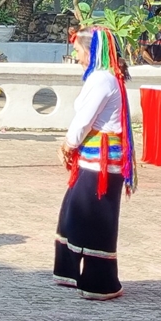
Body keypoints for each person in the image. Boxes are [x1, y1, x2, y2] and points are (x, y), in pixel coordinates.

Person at [55, 26, 135, 300]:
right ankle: (71, 272)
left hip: (100, 163)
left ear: (92, 51)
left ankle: (98, 281)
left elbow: (84, 119)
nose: (76, 56)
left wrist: (69, 143)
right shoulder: (106, 76)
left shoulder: (102, 78)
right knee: (77, 211)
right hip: (94, 159)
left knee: (94, 216)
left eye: (78, 50)